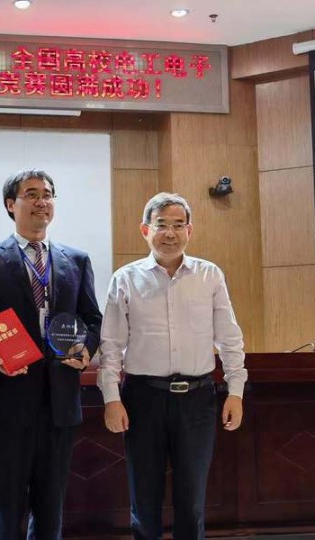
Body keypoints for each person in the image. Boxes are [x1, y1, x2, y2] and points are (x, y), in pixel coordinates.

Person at [97, 192, 247, 540]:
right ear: (145, 230)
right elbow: (111, 345)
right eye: (161, 225)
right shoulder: (125, 278)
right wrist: (111, 398)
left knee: (191, 501)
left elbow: (229, 338)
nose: (170, 233)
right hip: (143, 398)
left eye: (179, 225)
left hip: (197, 399)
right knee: (144, 500)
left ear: (189, 231)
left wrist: (236, 392)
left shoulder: (209, 275)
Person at [0, 169, 103, 540]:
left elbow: (92, 318)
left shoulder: (77, 260)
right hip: (7, 402)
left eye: (47, 194)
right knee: (6, 504)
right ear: (11, 204)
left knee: (50, 505)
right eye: (31, 194)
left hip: (59, 402)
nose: (41, 201)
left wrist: (86, 349)